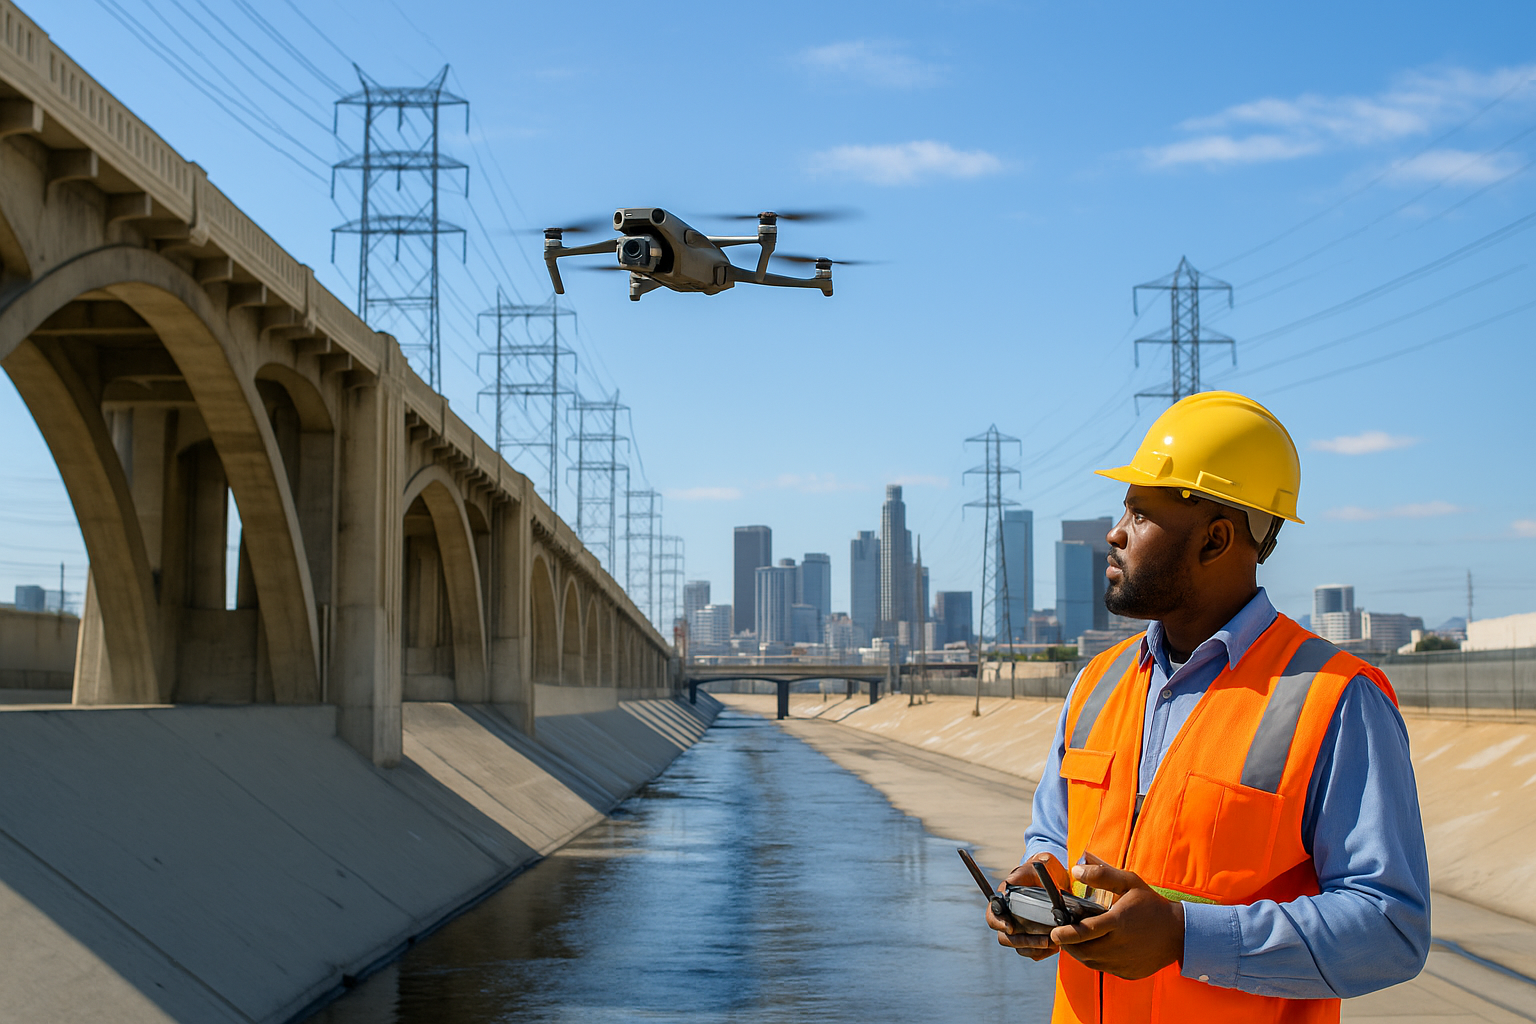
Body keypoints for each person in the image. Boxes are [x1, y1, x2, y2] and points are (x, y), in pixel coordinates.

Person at [986, 391, 1429, 1023]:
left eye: (1140, 514)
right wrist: (1040, 884)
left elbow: (1391, 928)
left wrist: (1184, 937)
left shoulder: (1334, 698)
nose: (1114, 534)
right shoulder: (1098, 683)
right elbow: (1054, 835)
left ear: (1216, 539)